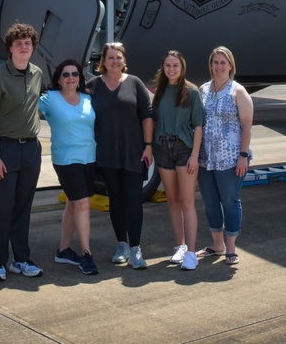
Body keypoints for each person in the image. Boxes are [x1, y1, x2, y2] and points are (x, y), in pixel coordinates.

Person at [0, 21, 45, 281]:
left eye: (27, 43)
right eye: (18, 43)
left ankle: (21, 259)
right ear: (10, 48)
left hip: (30, 148)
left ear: (33, 48)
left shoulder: (38, 73)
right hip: (4, 149)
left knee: (23, 207)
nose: (23, 47)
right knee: (2, 208)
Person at [87, 42, 154, 270]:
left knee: (133, 201)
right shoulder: (92, 86)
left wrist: (148, 145)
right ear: (103, 62)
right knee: (115, 200)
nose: (114, 61)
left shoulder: (135, 83)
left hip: (133, 151)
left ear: (124, 61)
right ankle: (122, 245)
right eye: (110, 58)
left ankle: (136, 248)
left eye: (118, 57)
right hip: (106, 153)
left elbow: (147, 115)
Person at [38, 59, 99, 276]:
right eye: (66, 75)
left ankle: (63, 250)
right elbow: (25, 109)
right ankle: (86, 254)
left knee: (74, 202)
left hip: (89, 158)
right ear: (58, 79)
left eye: (75, 74)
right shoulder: (50, 99)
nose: (71, 78)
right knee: (83, 203)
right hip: (66, 159)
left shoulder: (87, 99)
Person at [196, 46, 253, 266]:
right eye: (215, 62)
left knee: (230, 201)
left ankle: (231, 247)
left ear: (230, 65)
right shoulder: (204, 90)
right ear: (211, 65)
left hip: (231, 158)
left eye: (223, 62)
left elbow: (247, 127)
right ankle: (217, 244)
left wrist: (243, 156)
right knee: (210, 202)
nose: (219, 66)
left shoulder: (238, 91)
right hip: (206, 158)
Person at [151, 50, 204, 271]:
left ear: (182, 67)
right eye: (167, 66)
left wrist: (194, 155)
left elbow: (199, 126)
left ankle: (191, 253)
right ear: (163, 68)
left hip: (184, 148)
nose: (171, 69)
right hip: (163, 148)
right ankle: (180, 246)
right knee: (172, 201)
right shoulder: (160, 91)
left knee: (187, 202)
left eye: (175, 65)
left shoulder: (191, 92)